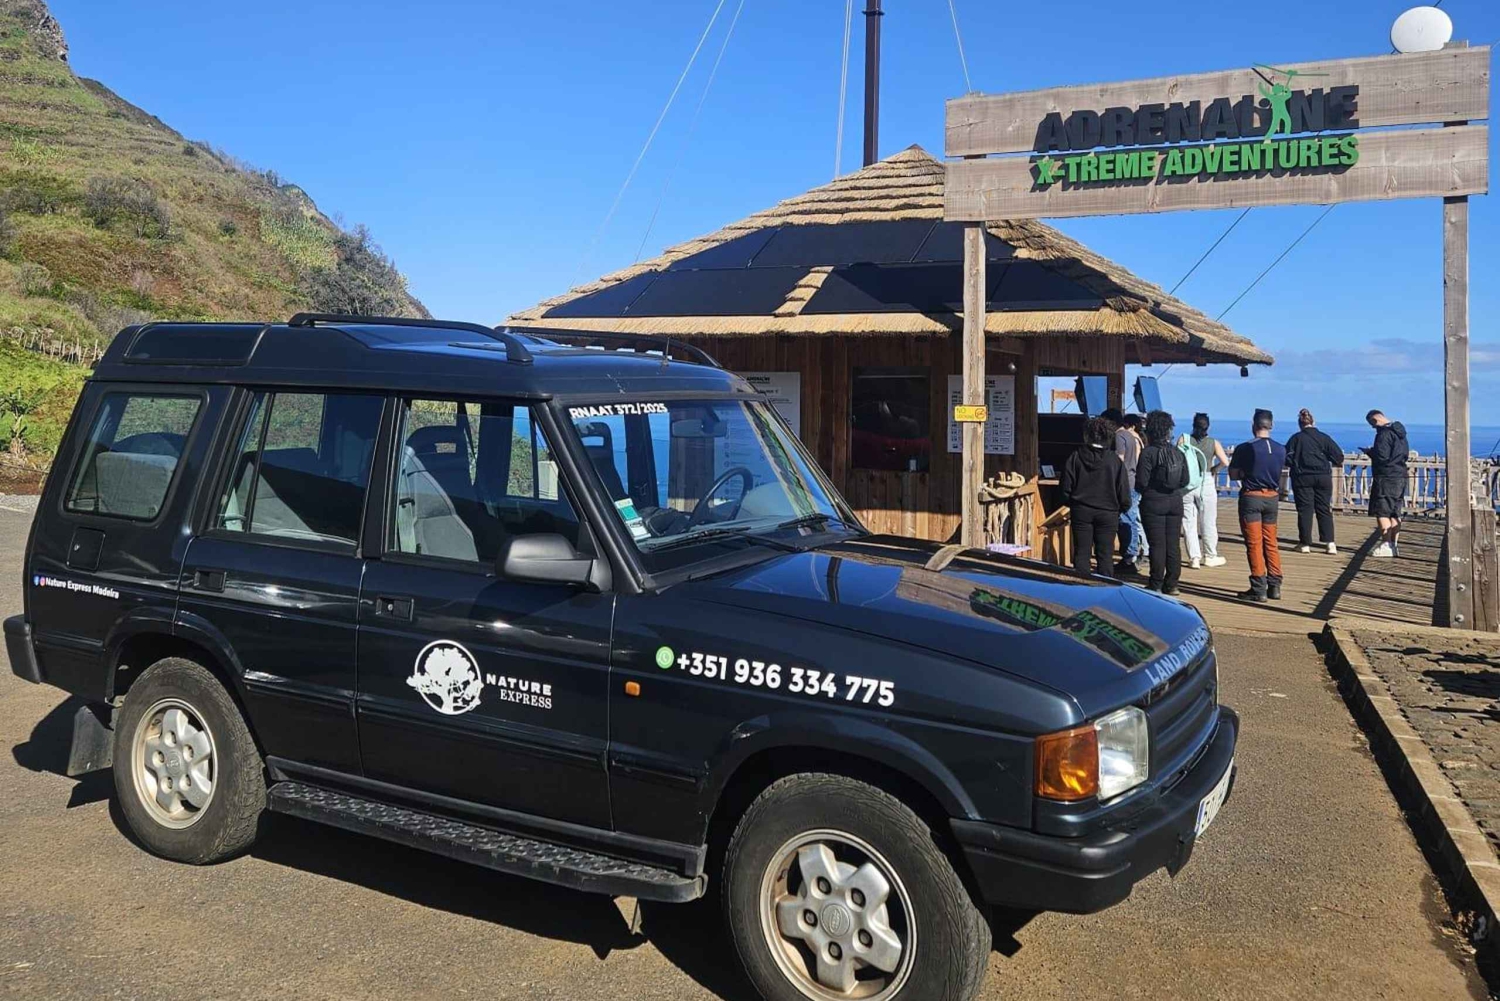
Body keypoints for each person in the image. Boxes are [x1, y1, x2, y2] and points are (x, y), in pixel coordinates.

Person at [1227, 409, 1287, 602]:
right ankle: (1275, 585)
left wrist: (1244, 474)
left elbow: (1233, 474)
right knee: (1271, 541)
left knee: (1254, 543)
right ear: (1271, 425)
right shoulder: (1280, 449)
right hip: (1272, 497)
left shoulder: (1245, 448)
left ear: (1253, 426)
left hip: (1252, 497)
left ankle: (1258, 587)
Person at [1060, 416, 1132, 578]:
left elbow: (1065, 487)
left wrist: (1071, 503)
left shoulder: (1075, 457)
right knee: (1105, 554)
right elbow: (1123, 490)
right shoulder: (1114, 460)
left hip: (1081, 510)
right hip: (1108, 512)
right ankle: (1105, 585)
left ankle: (1081, 585)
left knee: (1082, 552)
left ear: (1087, 434)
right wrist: (1121, 508)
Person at [1135, 410, 1191, 593]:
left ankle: (1156, 582)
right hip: (1175, 501)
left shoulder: (1148, 453)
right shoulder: (1177, 452)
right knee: (1173, 544)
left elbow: (1141, 482)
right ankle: (1172, 583)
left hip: (1153, 501)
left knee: (1157, 544)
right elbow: (1185, 480)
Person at [1284, 408, 1344, 554]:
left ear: (1300, 424)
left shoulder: (1295, 439)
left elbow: (1286, 458)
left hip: (1302, 477)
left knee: (1305, 510)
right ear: (1314, 422)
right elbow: (1338, 457)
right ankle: (1330, 543)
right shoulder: (1324, 438)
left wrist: (1296, 464)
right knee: (1324, 509)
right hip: (1323, 477)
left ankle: (1305, 544)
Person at [1183, 413, 1230, 569]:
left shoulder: (1184, 440)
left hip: (1188, 483)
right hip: (1206, 481)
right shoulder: (1213, 443)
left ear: (1193, 424)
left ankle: (1194, 558)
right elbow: (1225, 462)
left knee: (1188, 521)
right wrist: (1215, 469)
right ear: (1208, 426)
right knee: (1208, 521)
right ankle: (1210, 555)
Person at [1363, 409, 1408, 557]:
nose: (1373, 428)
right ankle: (1394, 544)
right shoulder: (1400, 433)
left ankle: (1386, 544)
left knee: (1382, 511)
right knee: (1395, 511)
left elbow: (1382, 457)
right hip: (1400, 474)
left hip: (1386, 477)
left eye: (1372, 424)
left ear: (1375, 420)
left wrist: (1371, 452)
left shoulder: (1383, 434)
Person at [1106, 410, 1147, 575]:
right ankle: (1132, 554)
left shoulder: (1119, 436)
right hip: (1133, 481)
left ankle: (1130, 557)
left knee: (1126, 519)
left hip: (1125, 483)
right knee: (1131, 518)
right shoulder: (1132, 436)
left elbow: (1119, 459)